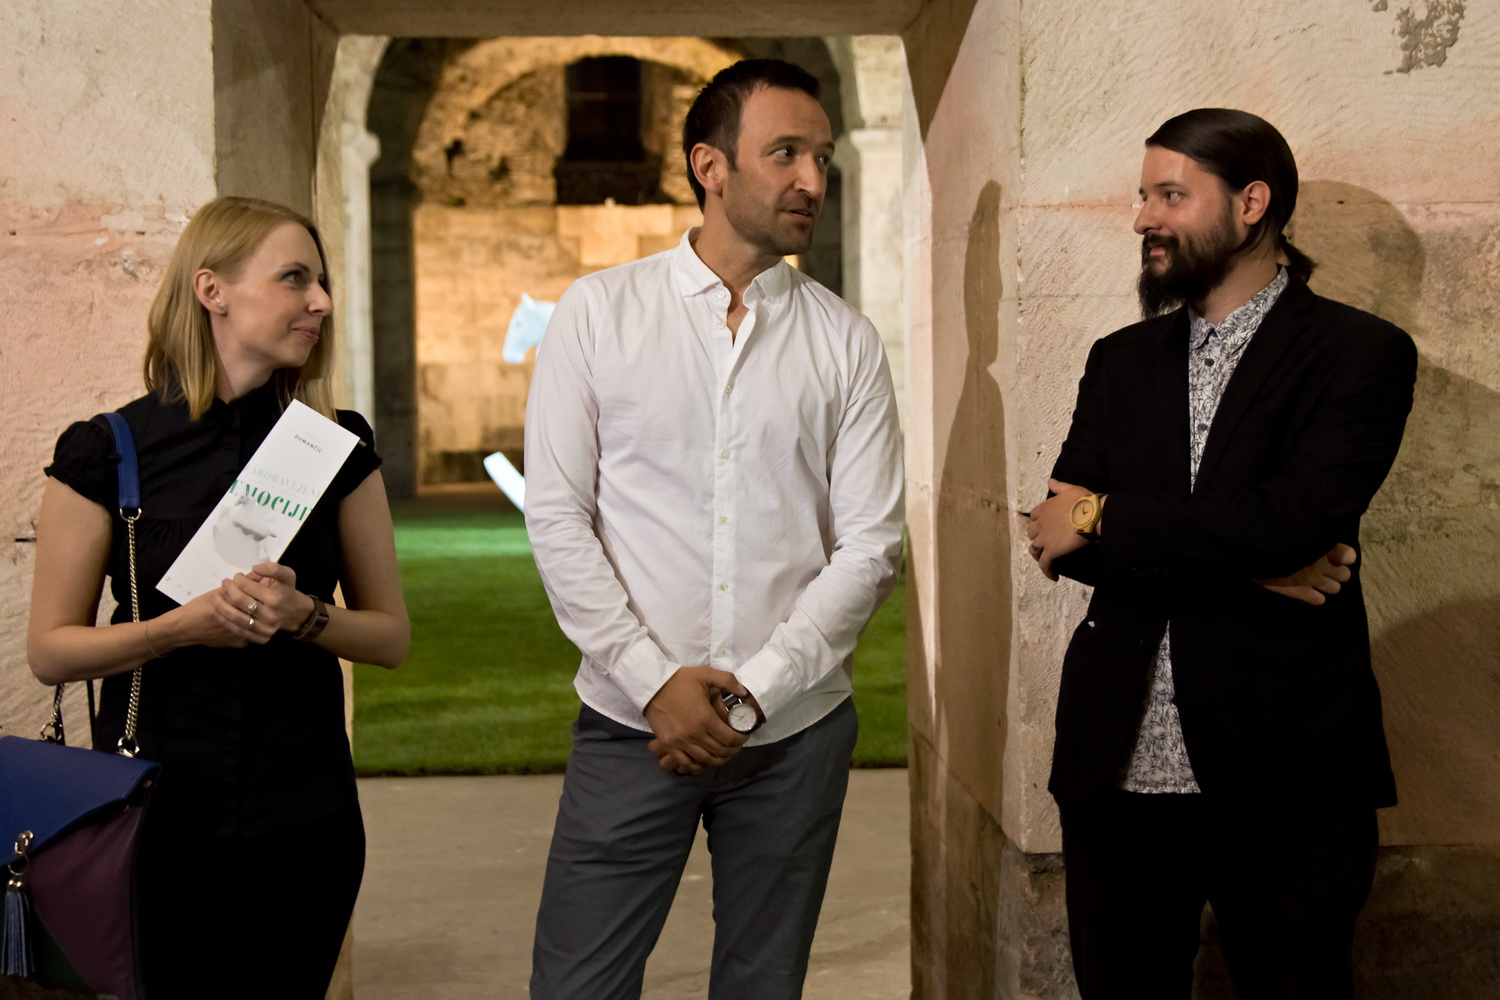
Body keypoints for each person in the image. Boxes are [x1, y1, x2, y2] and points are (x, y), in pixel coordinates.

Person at [524, 59, 904, 1000]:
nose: (811, 179)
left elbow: (871, 548)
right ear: (711, 166)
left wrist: (751, 698)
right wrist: (655, 684)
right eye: (786, 153)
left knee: (763, 987)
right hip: (631, 724)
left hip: (796, 733)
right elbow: (559, 515)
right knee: (577, 988)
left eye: (822, 158)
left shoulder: (846, 341)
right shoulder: (598, 314)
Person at [1025, 109, 1417, 999]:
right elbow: (1058, 538)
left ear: (1251, 203)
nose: (1143, 219)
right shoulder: (1121, 359)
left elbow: (1294, 523)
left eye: (1170, 196)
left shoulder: (1360, 354)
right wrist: (1250, 558)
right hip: (1116, 777)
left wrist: (1105, 515)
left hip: (1288, 782)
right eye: (1142, 196)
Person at [28, 196, 410, 999]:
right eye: (294, 278)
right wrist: (177, 630)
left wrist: (305, 615)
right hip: (157, 821)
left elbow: (389, 638)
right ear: (212, 290)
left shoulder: (333, 445)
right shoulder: (109, 450)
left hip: (306, 819)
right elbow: (51, 652)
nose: (321, 302)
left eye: (322, 282)